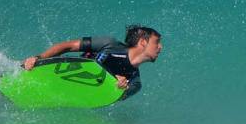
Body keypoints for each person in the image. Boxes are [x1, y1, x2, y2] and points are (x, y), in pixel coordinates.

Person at [23, 25, 162, 100]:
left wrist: (118, 87)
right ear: (143, 42)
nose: (160, 47)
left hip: (73, 92)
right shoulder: (110, 44)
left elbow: (118, 96)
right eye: (157, 42)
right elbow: (67, 46)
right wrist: (38, 58)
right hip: (62, 73)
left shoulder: (135, 82)